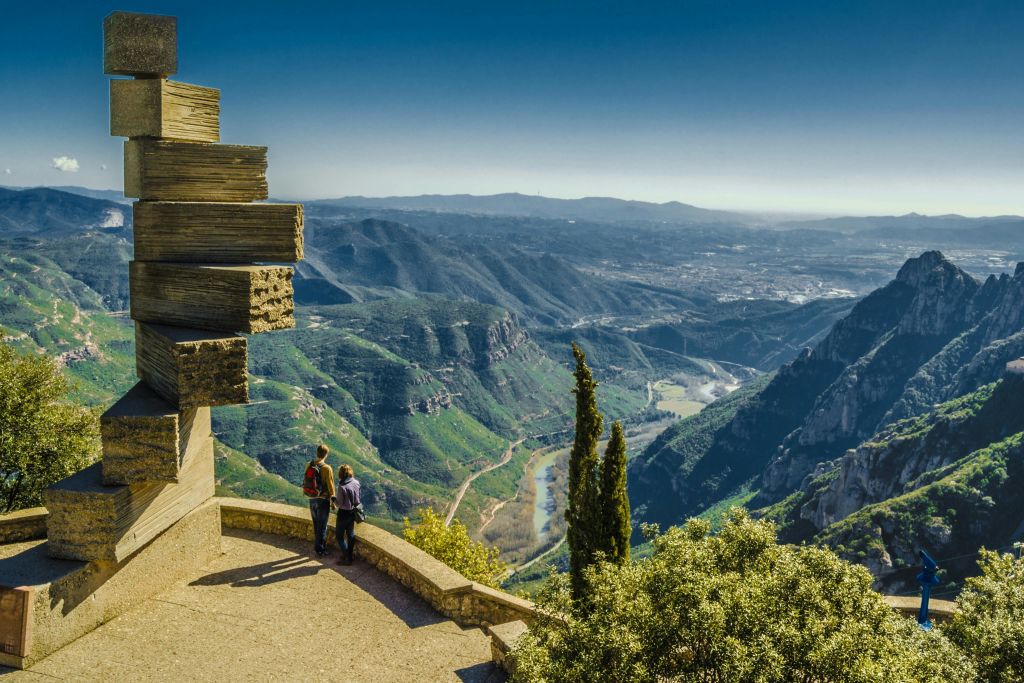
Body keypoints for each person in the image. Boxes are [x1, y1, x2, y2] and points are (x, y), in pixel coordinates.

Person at [305, 444, 336, 557]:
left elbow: (306, 480)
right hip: (323, 500)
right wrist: (333, 502)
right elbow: (331, 486)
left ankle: (318, 545)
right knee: (322, 526)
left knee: (316, 524)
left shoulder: (309, 464)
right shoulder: (327, 468)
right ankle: (320, 549)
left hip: (312, 498)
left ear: (317, 452)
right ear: (326, 454)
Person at [335, 464, 361, 565]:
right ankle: (349, 554)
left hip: (343, 514)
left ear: (341, 474)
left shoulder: (342, 486)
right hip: (353, 512)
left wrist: (333, 499)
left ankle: (348, 557)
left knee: (339, 536)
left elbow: (339, 503)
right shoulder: (356, 482)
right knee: (350, 534)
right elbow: (358, 499)